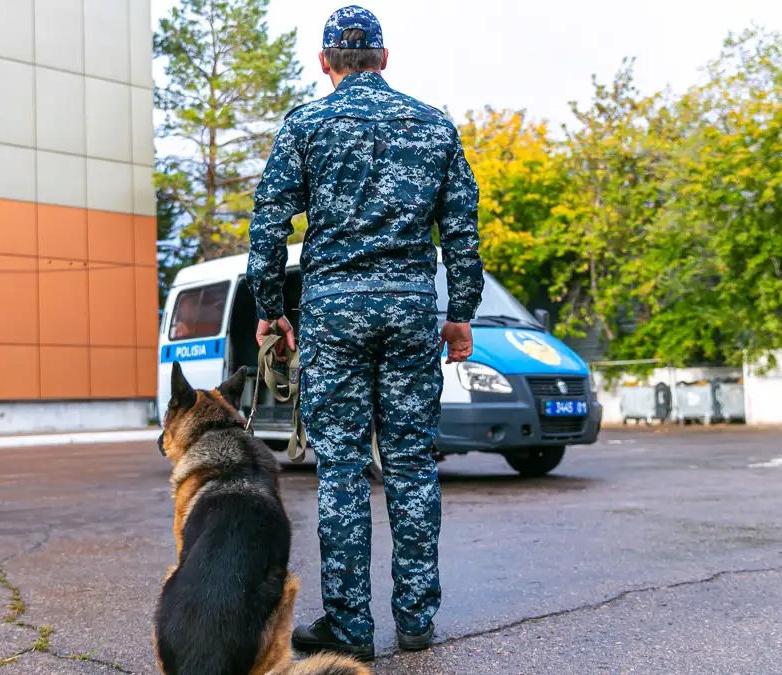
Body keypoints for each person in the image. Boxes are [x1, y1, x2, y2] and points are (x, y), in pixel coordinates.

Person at [245, 4, 484, 663]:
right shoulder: (434, 125)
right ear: (383, 57)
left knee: (343, 466)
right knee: (410, 461)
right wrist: (459, 312)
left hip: (335, 315)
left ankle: (351, 625)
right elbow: (461, 232)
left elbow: (267, 229)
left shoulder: (306, 124)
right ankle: (415, 619)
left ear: (326, 63)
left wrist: (272, 307)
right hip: (410, 311)